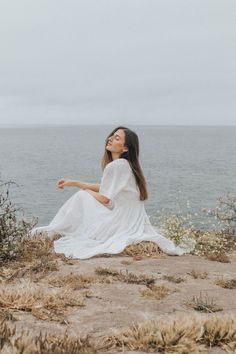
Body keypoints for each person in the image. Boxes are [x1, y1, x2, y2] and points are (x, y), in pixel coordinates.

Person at [31, 126, 194, 259]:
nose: (110, 138)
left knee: (82, 196)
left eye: (117, 138)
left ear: (125, 148)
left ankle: (55, 229)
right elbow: (105, 187)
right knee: (83, 193)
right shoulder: (125, 165)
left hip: (122, 221)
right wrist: (75, 183)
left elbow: (105, 199)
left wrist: (85, 190)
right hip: (132, 219)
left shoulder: (117, 166)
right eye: (112, 136)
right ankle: (57, 228)